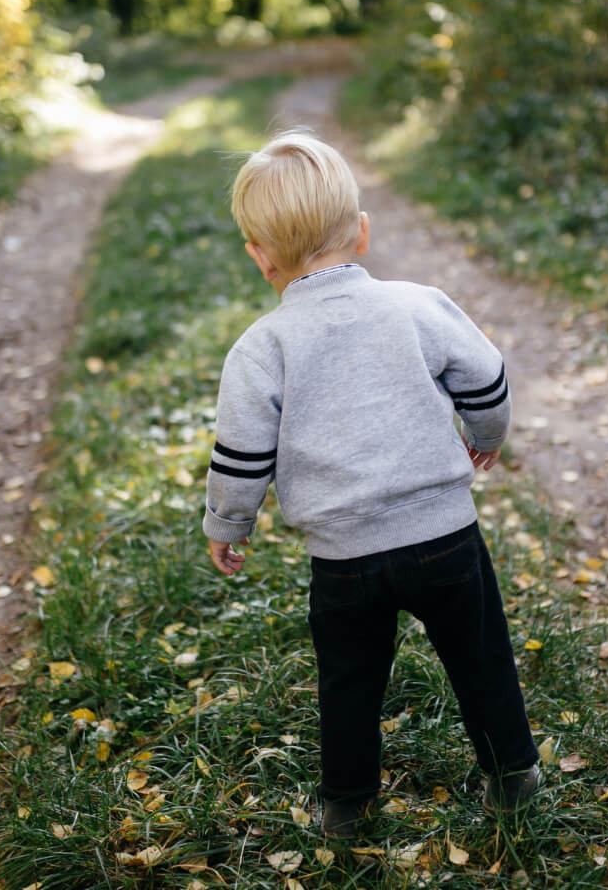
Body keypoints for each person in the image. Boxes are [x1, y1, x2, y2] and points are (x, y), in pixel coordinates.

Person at [201, 130, 540, 840]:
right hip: (444, 539)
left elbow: (241, 455)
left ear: (258, 257)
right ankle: (512, 773)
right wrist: (485, 439)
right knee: (480, 658)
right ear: (360, 233)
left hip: (345, 559)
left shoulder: (263, 348)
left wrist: (228, 526)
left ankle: (347, 803)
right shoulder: (419, 306)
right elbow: (488, 380)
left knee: (349, 683)